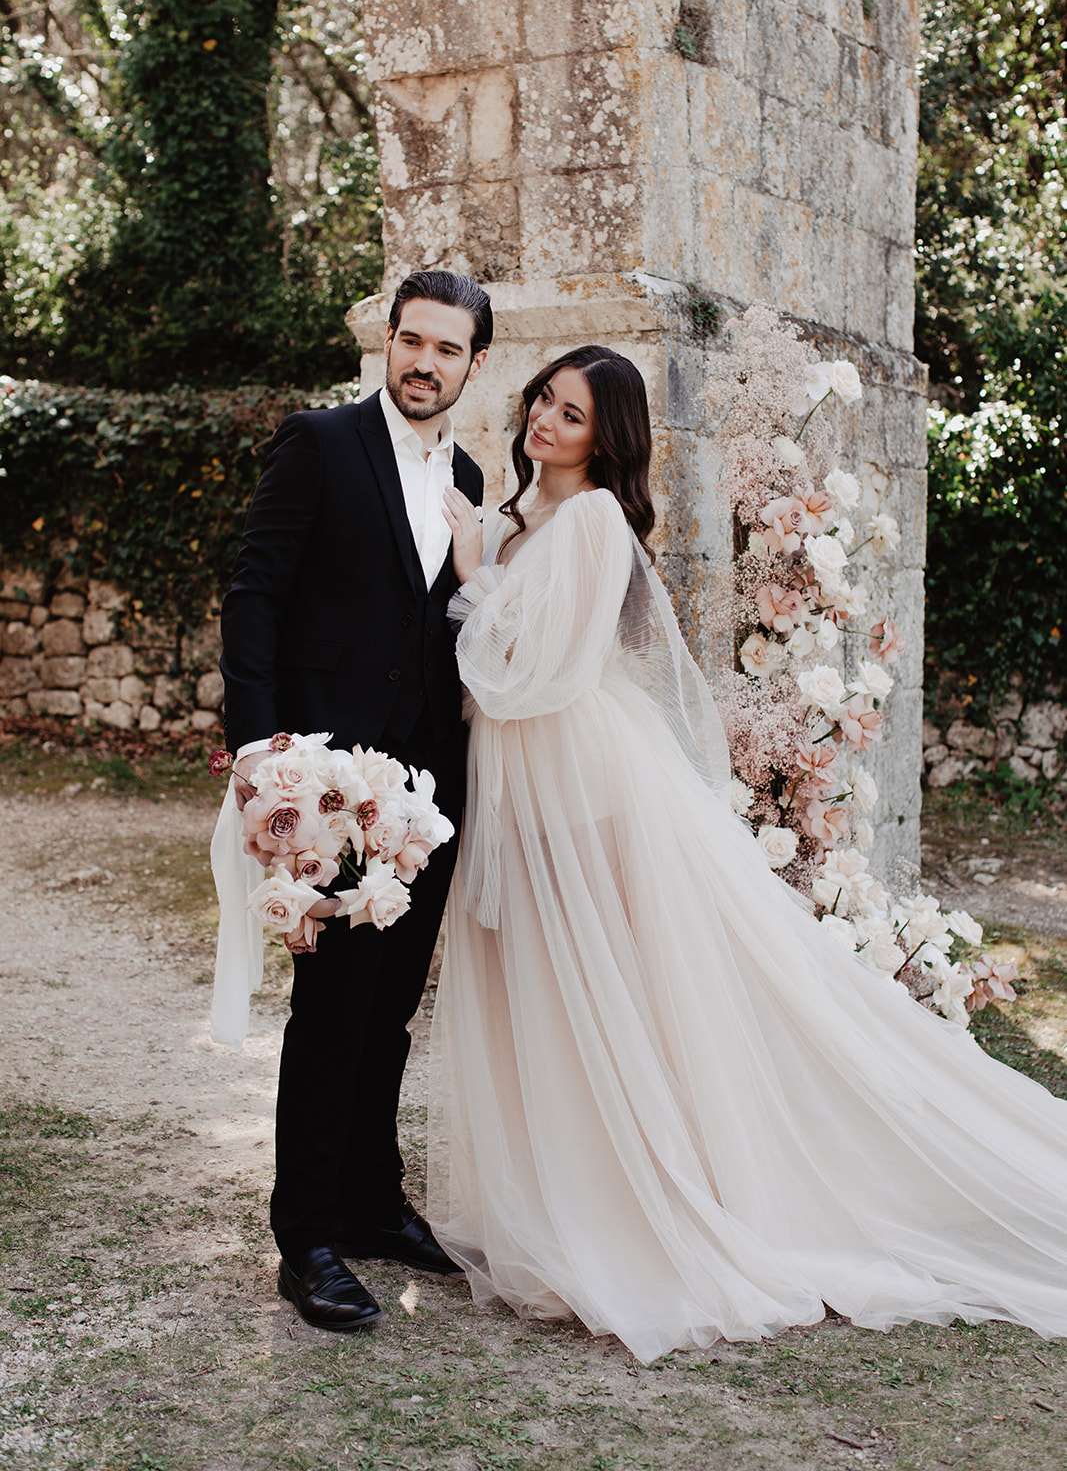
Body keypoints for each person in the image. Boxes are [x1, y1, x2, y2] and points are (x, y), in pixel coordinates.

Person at [429, 344, 1067, 1364]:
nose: (546, 420)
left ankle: (646, 1200)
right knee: (543, 986)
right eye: (544, 400)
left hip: (578, 772)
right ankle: (565, 1193)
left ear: (609, 438)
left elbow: (542, 667)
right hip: (518, 774)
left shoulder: (592, 521)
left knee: (606, 983)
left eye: (573, 413)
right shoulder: (520, 512)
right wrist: (486, 549)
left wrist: (471, 577)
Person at [215, 269, 490, 1332]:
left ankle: (374, 1199)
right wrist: (262, 753)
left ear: (472, 363)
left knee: (390, 1010)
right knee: (331, 1007)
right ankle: (308, 1235)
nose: (423, 362)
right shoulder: (319, 442)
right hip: (323, 784)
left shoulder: (466, 473)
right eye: (410, 341)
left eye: (447, 349)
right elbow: (257, 589)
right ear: (389, 340)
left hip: (425, 795)